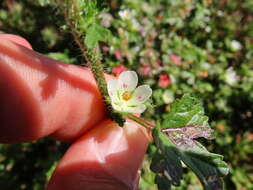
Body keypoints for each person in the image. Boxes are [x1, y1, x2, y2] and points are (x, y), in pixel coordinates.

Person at [0, 34, 149, 190]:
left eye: (128, 96)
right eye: (125, 95)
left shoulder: (135, 101)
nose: (126, 96)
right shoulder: (113, 91)